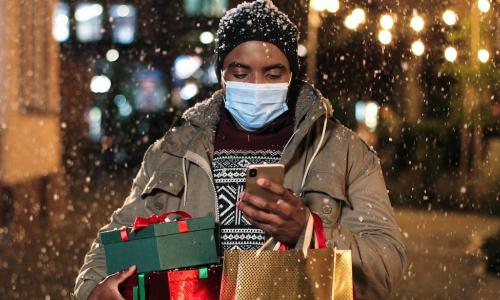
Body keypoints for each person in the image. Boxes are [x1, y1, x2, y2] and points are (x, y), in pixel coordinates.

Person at [73, 1, 406, 299]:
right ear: (222, 75)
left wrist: (309, 230)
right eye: (241, 72)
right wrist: (94, 290)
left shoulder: (345, 152)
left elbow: (386, 269)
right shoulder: (175, 151)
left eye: (273, 73)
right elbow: (113, 243)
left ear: (291, 76)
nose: (257, 85)